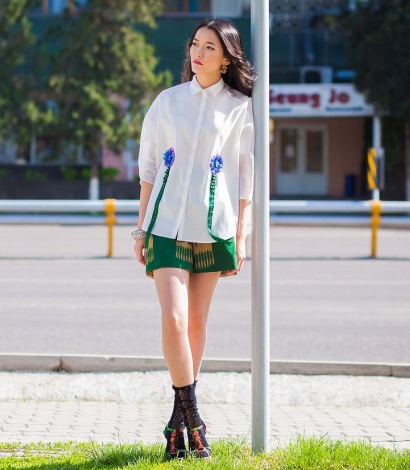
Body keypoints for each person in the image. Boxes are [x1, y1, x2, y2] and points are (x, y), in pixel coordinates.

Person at [132, 18, 255, 460]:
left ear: (226, 60)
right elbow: (149, 167)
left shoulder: (241, 107)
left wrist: (242, 235)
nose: (198, 53)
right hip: (165, 225)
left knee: (198, 322)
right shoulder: (167, 102)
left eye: (210, 47)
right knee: (174, 319)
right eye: (195, 44)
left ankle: (176, 425)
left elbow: (245, 175)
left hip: (214, 227)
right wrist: (141, 227)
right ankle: (196, 419)